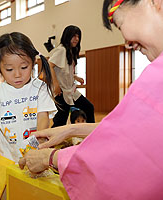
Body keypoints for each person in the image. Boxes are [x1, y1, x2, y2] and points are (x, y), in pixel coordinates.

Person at [19, 0, 163, 199]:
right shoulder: (61, 51)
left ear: (154, 2)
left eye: (120, 24)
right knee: (64, 118)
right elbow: (129, 130)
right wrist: (72, 129)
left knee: (85, 108)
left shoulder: (157, 77)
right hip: (64, 92)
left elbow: (126, 144)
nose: (127, 41)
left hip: (71, 91)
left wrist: (51, 158)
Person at [0, 32, 57, 163]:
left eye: (23, 67)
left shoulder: (40, 88)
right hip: (7, 159)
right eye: (9, 69)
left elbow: (43, 117)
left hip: (35, 155)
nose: (17, 74)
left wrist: (40, 141)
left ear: (33, 62)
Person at [49, 25, 95, 127]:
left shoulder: (70, 51)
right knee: (60, 120)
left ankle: (91, 133)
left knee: (88, 107)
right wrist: (56, 85)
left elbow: (64, 70)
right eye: (74, 36)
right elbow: (50, 65)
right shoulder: (61, 50)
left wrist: (75, 77)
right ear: (67, 36)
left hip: (70, 90)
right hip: (61, 92)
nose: (76, 39)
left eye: (78, 36)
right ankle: (51, 139)